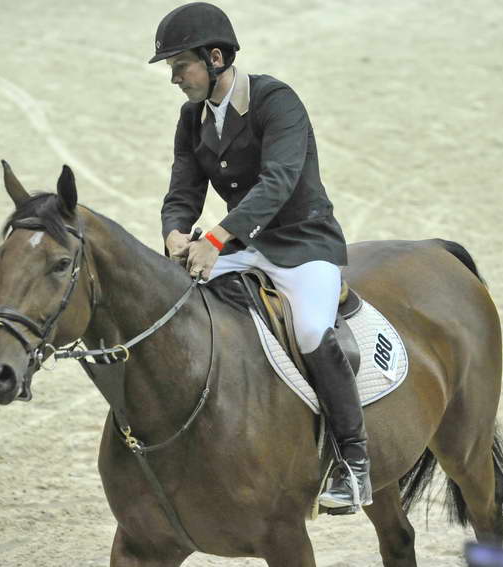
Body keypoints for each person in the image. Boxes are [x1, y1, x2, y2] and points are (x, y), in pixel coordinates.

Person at [149, 1, 372, 512]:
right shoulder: (192, 119)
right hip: (245, 246)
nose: (175, 79)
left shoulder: (277, 101)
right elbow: (182, 190)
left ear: (216, 57)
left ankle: (354, 461)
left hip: (303, 243)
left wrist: (217, 239)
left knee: (313, 329)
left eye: (179, 66)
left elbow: (278, 182)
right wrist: (177, 235)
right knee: (179, 302)